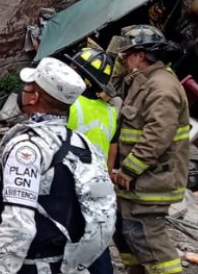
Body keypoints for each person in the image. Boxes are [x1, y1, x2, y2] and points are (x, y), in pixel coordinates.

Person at [0, 57, 100, 273]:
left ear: (35, 98)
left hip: (33, 265)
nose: (23, 91)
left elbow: (19, 226)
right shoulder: (85, 145)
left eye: (28, 87)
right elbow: (102, 214)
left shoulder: (28, 148)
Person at [111, 25, 189, 274]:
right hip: (140, 181)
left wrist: (128, 170)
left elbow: (157, 137)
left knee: (149, 240)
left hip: (151, 180)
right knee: (128, 236)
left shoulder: (162, 87)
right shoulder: (142, 82)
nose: (122, 59)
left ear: (141, 55)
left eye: (126, 55)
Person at [63, 48, 119, 274]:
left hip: (70, 184)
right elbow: (110, 156)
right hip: (99, 185)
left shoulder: (68, 105)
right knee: (96, 244)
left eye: (74, 69)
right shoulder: (110, 113)